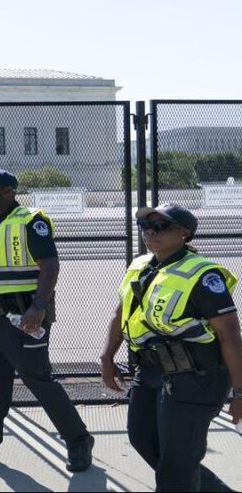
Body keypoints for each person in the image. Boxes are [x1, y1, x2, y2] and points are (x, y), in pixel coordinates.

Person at [0, 169, 94, 471]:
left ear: (8, 192)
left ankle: (78, 440)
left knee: (38, 381)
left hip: (23, 319)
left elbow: (50, 265)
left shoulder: (30, 221)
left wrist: (38, 307)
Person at [100, 203, 242, 492]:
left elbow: (230, 335)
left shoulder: (203, 275)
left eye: (161, 226)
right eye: (145, 226)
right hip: (151, 371)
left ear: (184, 234)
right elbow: (121, 312)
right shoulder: (140, 266)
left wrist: (240, 392)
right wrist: (106, 356)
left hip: (195, 378)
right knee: (144, 440)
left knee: (177, 464)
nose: (150, 232)